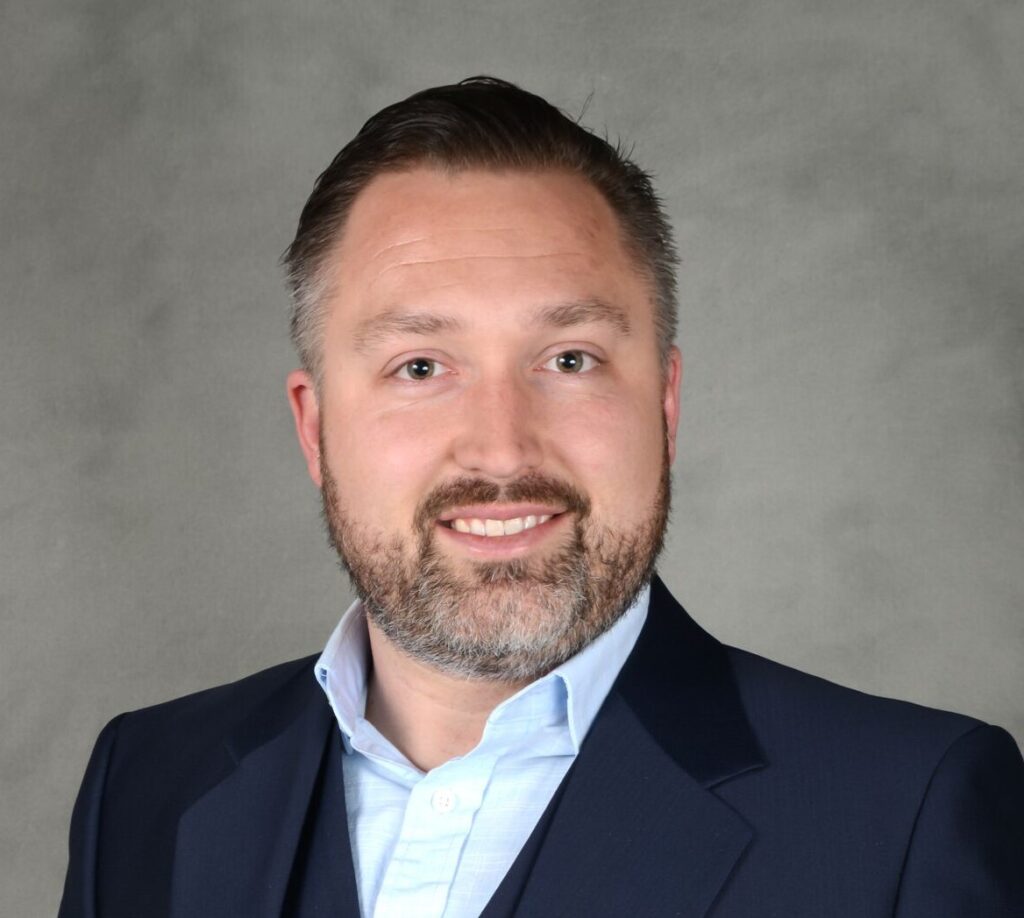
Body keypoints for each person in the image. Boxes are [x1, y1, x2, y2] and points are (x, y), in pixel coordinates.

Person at [59, 77, 1023, 918]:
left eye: (569, 359)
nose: (502, 445)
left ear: (665, 402)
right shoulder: (146, 785)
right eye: (421, 364)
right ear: (315, 429)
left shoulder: (908, 813)